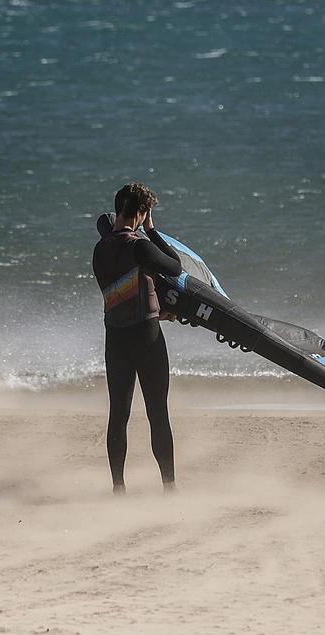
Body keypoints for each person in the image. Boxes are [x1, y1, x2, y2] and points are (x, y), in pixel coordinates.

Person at [92, 182, 182, 494]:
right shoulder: (140, 246)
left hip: (115, 339)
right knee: (157, 413)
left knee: (119, 414)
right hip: (146, 338)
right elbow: (175, 266)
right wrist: (153, 231)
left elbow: (124, 287)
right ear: (142, 214)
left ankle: (118, 488)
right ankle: (169, 488)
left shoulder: (100, 248)